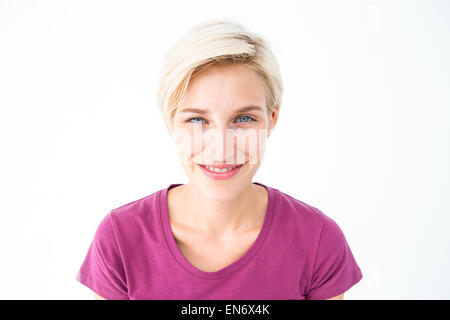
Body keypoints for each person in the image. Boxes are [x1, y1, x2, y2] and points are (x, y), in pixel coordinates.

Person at [76, 19, 363, 300]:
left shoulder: (317, 240)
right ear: (170, 123)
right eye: (198, 119)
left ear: (271, 120)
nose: (222, 149)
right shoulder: (120, 238)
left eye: (244, 118)